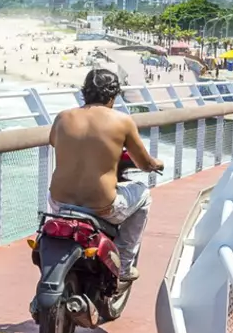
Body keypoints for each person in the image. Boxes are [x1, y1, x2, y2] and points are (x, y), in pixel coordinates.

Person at [47, 68, 164, 254]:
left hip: (59, 201)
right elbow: (144, 164)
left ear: (85, 92)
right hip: (102, 206)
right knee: (143, 194)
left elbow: (54, 142)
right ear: (114, 95)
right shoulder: (122, 121)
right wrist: (156, 164)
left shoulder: (62, 117)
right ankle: (124, 264)